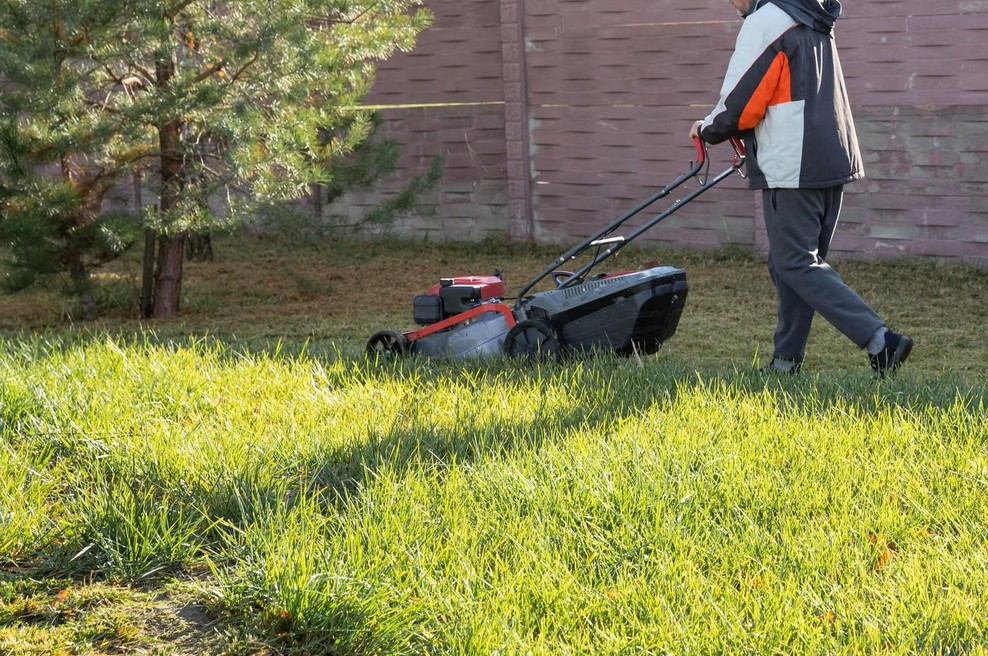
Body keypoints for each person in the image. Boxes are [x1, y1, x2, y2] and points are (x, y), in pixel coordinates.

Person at [689, 0, 913, 377]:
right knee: (794, 265)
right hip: (832, 159)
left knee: (794, 262)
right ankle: (785, 361)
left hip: (793, 165)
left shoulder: (768, 20)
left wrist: (709, 128)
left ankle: (881, 340)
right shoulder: (812, 16)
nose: (730, 1)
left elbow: (742, 102)